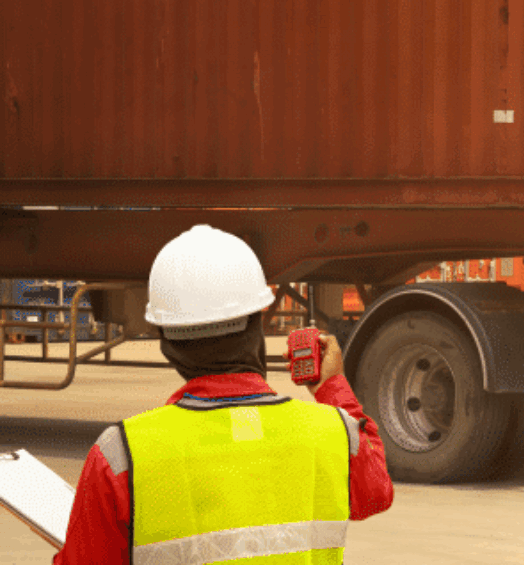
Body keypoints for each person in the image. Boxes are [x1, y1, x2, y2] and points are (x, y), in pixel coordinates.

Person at [53, 224, 393, 563]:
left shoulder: (121, 455)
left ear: (166, 342)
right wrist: (332, 387)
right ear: (258, 323)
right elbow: (376, 492)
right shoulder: (332, 432)